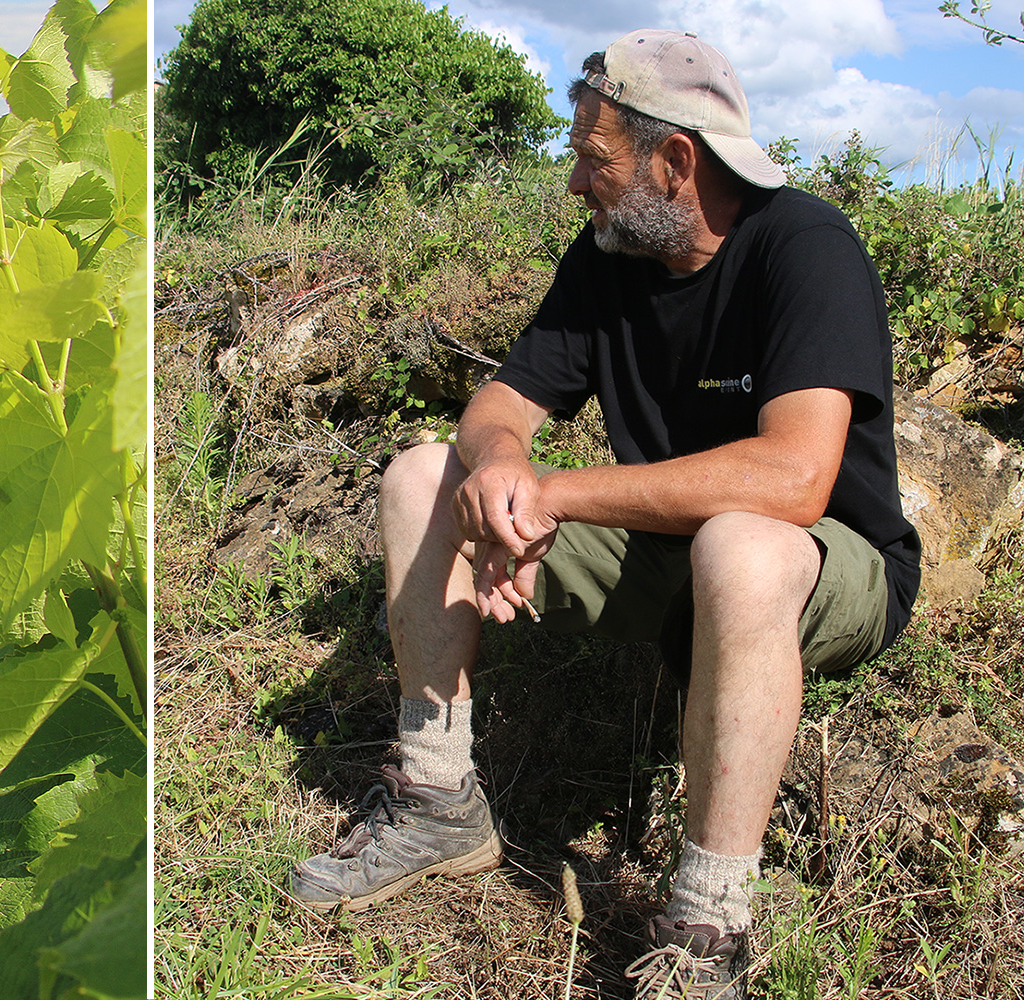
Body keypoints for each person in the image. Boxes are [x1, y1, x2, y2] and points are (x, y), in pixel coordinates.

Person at [287, 29, 920, 999]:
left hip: (819, 567)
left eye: (593, 158)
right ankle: (434, 799)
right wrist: (501, 468)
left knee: (743, 545)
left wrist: (553, 494)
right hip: (667, 554)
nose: (575, 184)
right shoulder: (609, 255)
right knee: (423, 474)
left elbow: (793, 480)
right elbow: (501, 405)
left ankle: (706, 928)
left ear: (674, 162)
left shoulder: (803, 246)